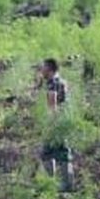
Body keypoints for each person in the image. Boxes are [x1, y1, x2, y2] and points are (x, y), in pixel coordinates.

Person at [38, 58, 75, 191]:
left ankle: (52, 184)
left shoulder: (52, 84)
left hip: (56, 123)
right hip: (64, 122)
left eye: (43, 68)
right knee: (64, 153)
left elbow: (52, 105)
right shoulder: (62, 82)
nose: (41, 70)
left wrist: (50, 125)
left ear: (49, 69)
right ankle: (67, 184)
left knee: (46, 153)